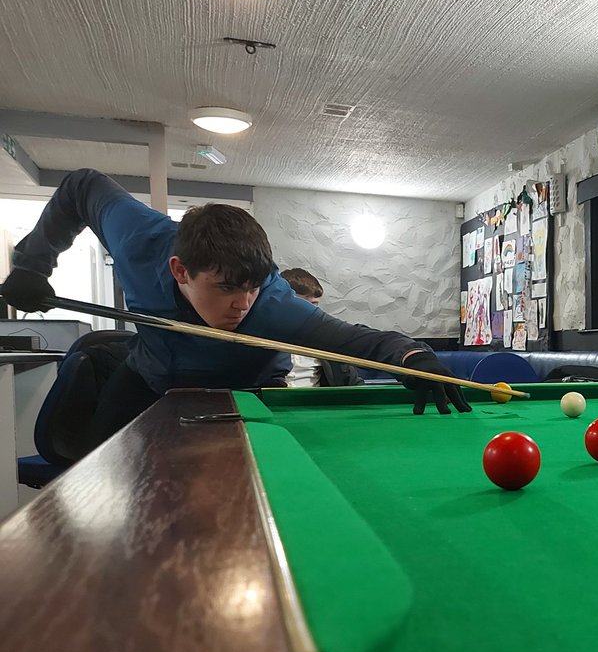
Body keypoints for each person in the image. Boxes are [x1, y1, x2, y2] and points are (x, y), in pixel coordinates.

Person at [1, 169, 469, 457]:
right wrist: (33, 263)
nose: (242, 305)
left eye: (251, 286)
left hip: (248, 391)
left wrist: (413, 358)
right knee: (93, 468)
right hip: (149, 377)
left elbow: (358, 340)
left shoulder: (274, 307)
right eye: (226, 288)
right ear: (180, 270)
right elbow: (81, 185)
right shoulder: (138, 241)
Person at [279, 268, 364, 387]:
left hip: (315, 403)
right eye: (301, 305)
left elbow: (354, 384)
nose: (308, 312)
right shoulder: (257, 334)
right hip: (262, 403)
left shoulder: (329, 341)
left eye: (313, 305)